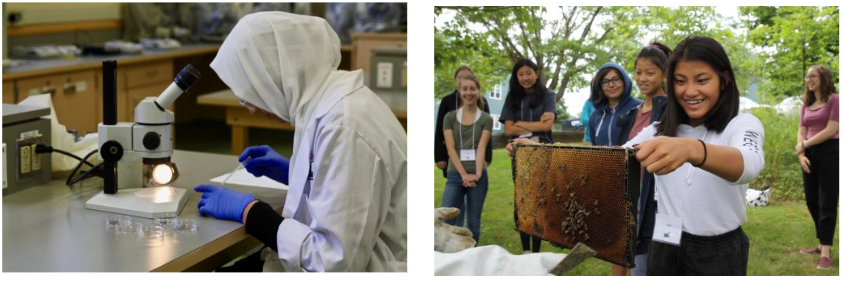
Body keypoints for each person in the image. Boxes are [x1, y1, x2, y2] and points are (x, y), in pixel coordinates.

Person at [194, 12, 407, 272]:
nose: (251, 109)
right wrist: (295, 173)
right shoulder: (324, 101)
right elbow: (344, 189)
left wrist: (251, 211)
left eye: (251, 93)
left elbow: (332, 263)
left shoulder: (344, 126)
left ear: (277, 75)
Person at [623, 35, 765, 275]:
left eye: (702, 80)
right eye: (680, 81)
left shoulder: (742, 124)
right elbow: (619, 157)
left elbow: (748, 164)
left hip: (718, 250)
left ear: (724, 80)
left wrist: (692, 149)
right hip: (664, 241)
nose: (690, 91)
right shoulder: (659, 129)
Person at [617, 42, 671, 276]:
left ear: (664, 74)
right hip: (630, 192)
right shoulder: (631, 113)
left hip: (657, 198)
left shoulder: (671, 110)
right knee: (626, 250)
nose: (642, 78)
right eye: (638, 72)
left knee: (652, 258)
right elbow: (621, 152)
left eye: (650, 73)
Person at [500, 58, 557, 254]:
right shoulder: (512, 97)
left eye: (528, 73)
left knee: (539, 201)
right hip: (519, 152)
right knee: (522, 201)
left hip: (542, 151)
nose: (525, 77)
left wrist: (519, 123)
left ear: (537, 73)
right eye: (520, 74)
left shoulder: (548, 95)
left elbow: (546, 126)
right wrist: (534, 124)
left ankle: (536, 251)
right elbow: (507, 129)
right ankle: (525, 250)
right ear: (516, 76)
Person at [435, 66, 493, 228]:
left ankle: (472, 253)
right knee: (446, 219)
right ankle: (448, 253)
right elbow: (450, 149)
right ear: (459, 91)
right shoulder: (450, 117)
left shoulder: (486, 119)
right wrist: (464, 175)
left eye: (472, 89)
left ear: (478, 91)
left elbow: (481, 147)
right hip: (455, 175)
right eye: (465, 89)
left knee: (474, 220)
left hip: (477, 177)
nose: (469, 93)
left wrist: (477, 174)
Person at [795, 65, 838, 270]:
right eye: (807, 77)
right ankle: (821, 243)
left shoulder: (836, 100)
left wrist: (804, 145)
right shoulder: (807, 103)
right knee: (812, 201)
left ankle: (826, 252)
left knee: (826, 201)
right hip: (809, 153)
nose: (808, 80)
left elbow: (832, 129)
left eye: (812, 76)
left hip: (830, 152)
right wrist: (802, 154)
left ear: (823, 78)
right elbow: (801, 130)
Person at [588, 62, 642, 147]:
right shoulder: (595, 116)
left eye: (616, 79)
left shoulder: (640, 108)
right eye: (605, 82)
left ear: (625, 81)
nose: (611, 85)